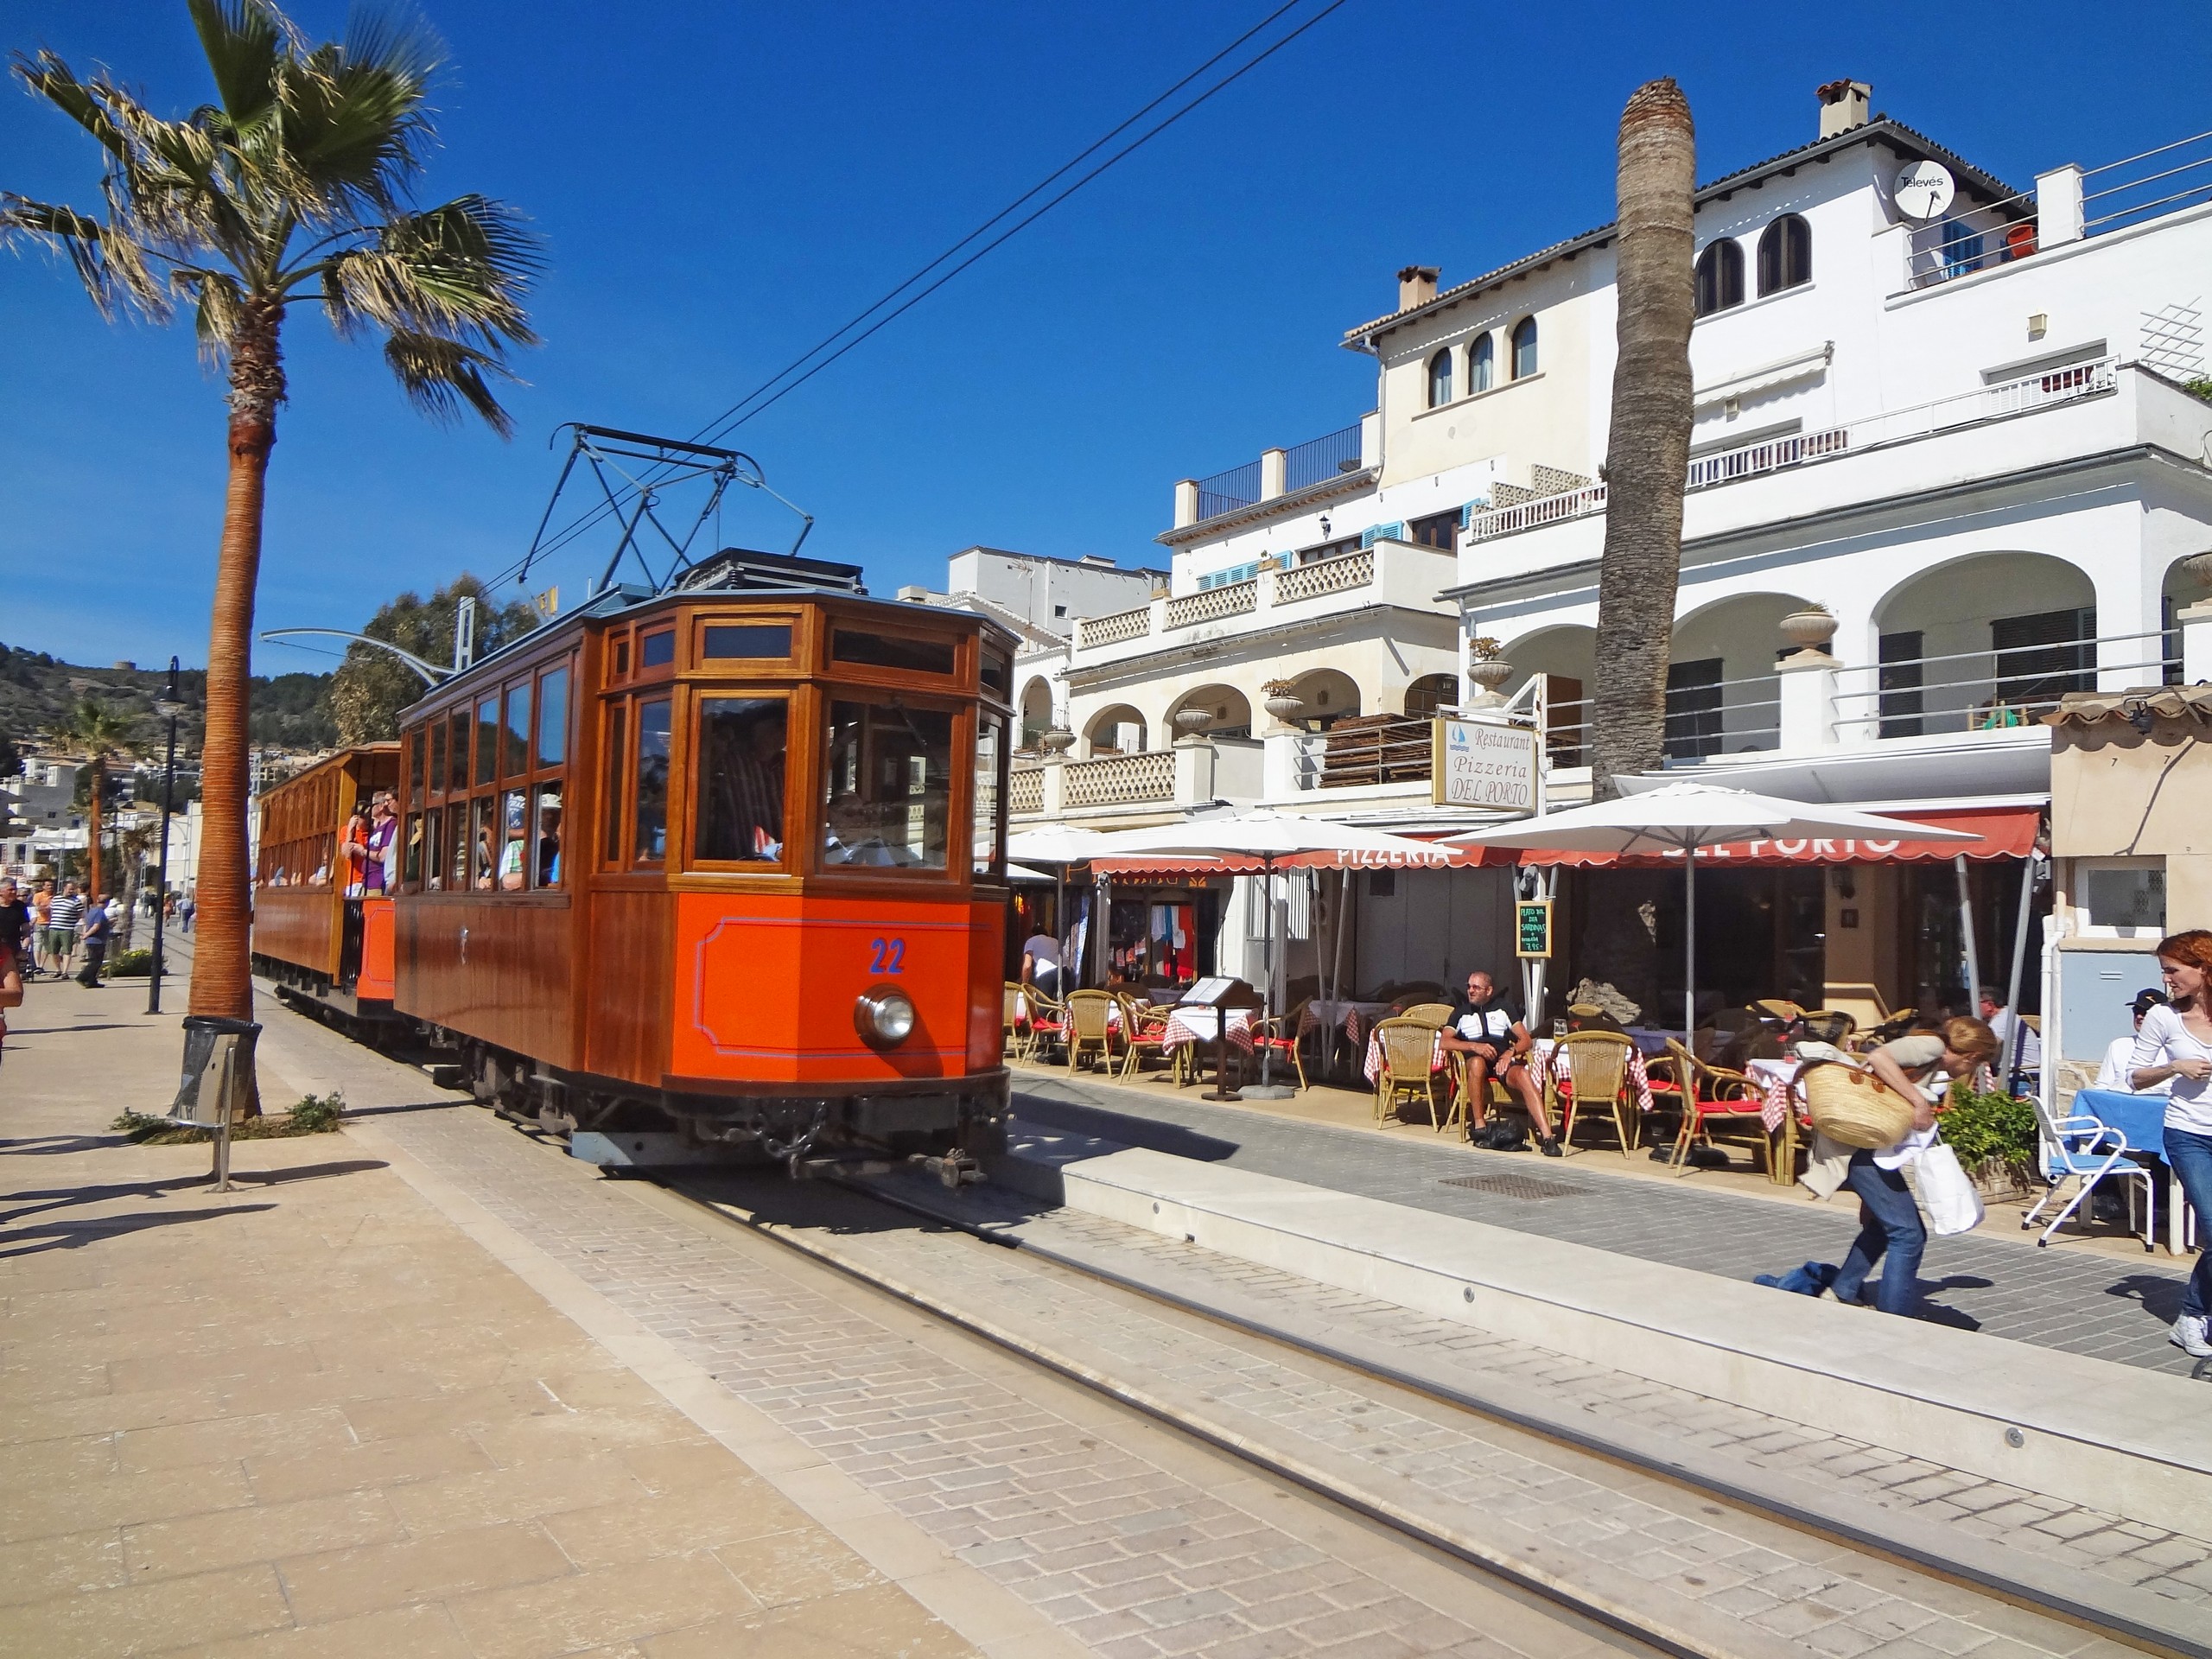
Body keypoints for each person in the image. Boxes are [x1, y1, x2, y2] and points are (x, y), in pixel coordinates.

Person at [1768, 1016, 1999, 1317]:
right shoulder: (1933, 1045)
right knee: (1908, 1234)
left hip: (1866, 1146)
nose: (1970, 1072)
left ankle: (1842, 1291)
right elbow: (1879, 1057)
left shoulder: (1934, 1058)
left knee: (1881, 1226)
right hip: (1860, 1146)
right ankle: (1895, 1316)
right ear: (1971, 1056)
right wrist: (1918, 1103)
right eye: (1975, 1065)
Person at [2128, 931, 2212, 1358]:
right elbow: (2136, 1076)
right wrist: (2174, 1066)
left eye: (2173, 970)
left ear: (2203, 968)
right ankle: (2192, 1316)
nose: (2167, 980)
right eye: (2164, 971)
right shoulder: (2163, 1017)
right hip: (2189, 1133)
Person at [1439, 968, 1561, 1156]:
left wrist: (1509, 1054)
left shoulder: (1504, 1008)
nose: (1471, 991)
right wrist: (1474, 1046)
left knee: (1523, 1074)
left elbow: (1526, 1040)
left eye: (1476, 988)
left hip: (1501, 1059)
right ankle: (1480, 1125)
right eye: (1469, 987)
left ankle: (1547, 1137)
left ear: (1489, 991)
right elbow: (1445, 1041)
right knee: (1478, 1062)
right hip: (1474, 1060)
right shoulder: (1460, 1013)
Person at [2095, 989, 2171, 1092]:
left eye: (2145, 1012)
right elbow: (2102, 1085)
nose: (2139, 1017)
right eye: (2136, 1011)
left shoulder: (2173, 1049)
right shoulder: (2119, 1045)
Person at [1977, 986, 2042, 1073]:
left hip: (2022, 1077)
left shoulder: (2004, 1019)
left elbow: (1985, 1045)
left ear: (1990, 1005)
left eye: (1977, 1003)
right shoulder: (2003, 1017)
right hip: (2016, 1073)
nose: (1973, 1007)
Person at [46, 880, 85, 976]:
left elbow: (80, 915)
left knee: (67, 951)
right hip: (54, 928)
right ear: (64, 888)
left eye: (72, 889)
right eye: (69, 889)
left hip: (67, 929)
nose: (71, 891)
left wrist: (72, 922)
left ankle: (65, 972)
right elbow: (51, 911)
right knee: (54, 951)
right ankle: (58, 969)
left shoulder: (76, 901)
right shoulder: (55, 899)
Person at [76, 891, 112, 987]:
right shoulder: (99, 912)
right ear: (107, 903)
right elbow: (96, 926)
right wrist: (86, 935)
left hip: (93, 940)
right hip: (97, 941)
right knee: (95, 962)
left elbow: (89, 923)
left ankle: (91, 981)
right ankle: (82, 976)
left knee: (95, 961)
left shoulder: (92, 911)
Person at [1021, 929, 1064, 1001]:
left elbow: (1027, 966)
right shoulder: (1055, 941)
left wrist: (1024, 983)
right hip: (1064, 972)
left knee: (1043, 1008)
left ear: (1032, 935)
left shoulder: (1031, 941)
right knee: (1062, 1006)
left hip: (1046, 973)